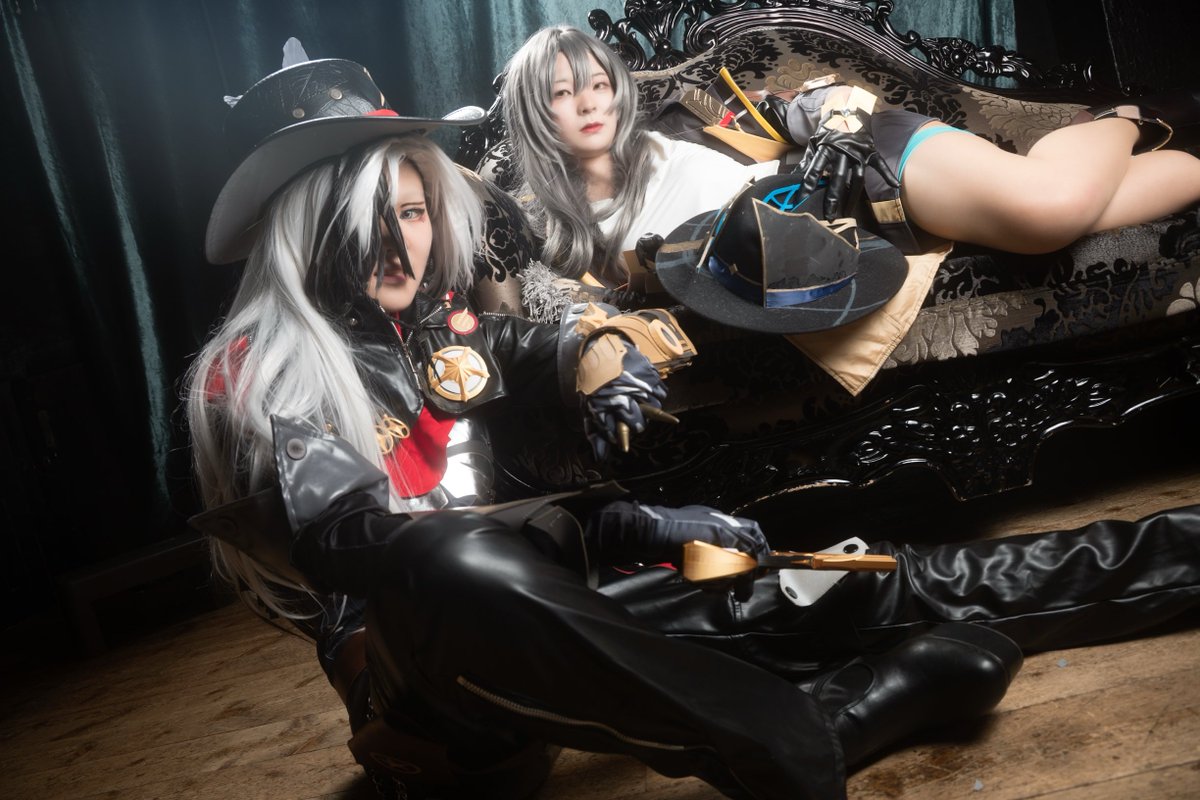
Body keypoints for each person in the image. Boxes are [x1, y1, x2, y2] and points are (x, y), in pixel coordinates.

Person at [186, 51, 1200, 800]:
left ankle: (867, 697)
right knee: (445, 554)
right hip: (441, 718)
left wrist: (602, 357)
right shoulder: (259, 373)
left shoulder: (434, 329)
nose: (398, 241)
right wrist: (611, 522)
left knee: (831, 575)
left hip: (561, 623)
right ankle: (789, 741)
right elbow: (360, 546)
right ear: (304, 230)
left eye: (411, 212)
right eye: (365, 217)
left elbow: (550, 339)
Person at [501, 25, 1200, 289]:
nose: (590, 103)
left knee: (1050, 214)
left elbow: (799, 107)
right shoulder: (564, 236)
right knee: (1110, 205)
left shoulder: (681, 126)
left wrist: (830, 112)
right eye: (563, 93)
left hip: (869, 168)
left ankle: (1117, 118)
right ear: (537, 112)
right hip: (842, 244)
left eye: (599, 84)